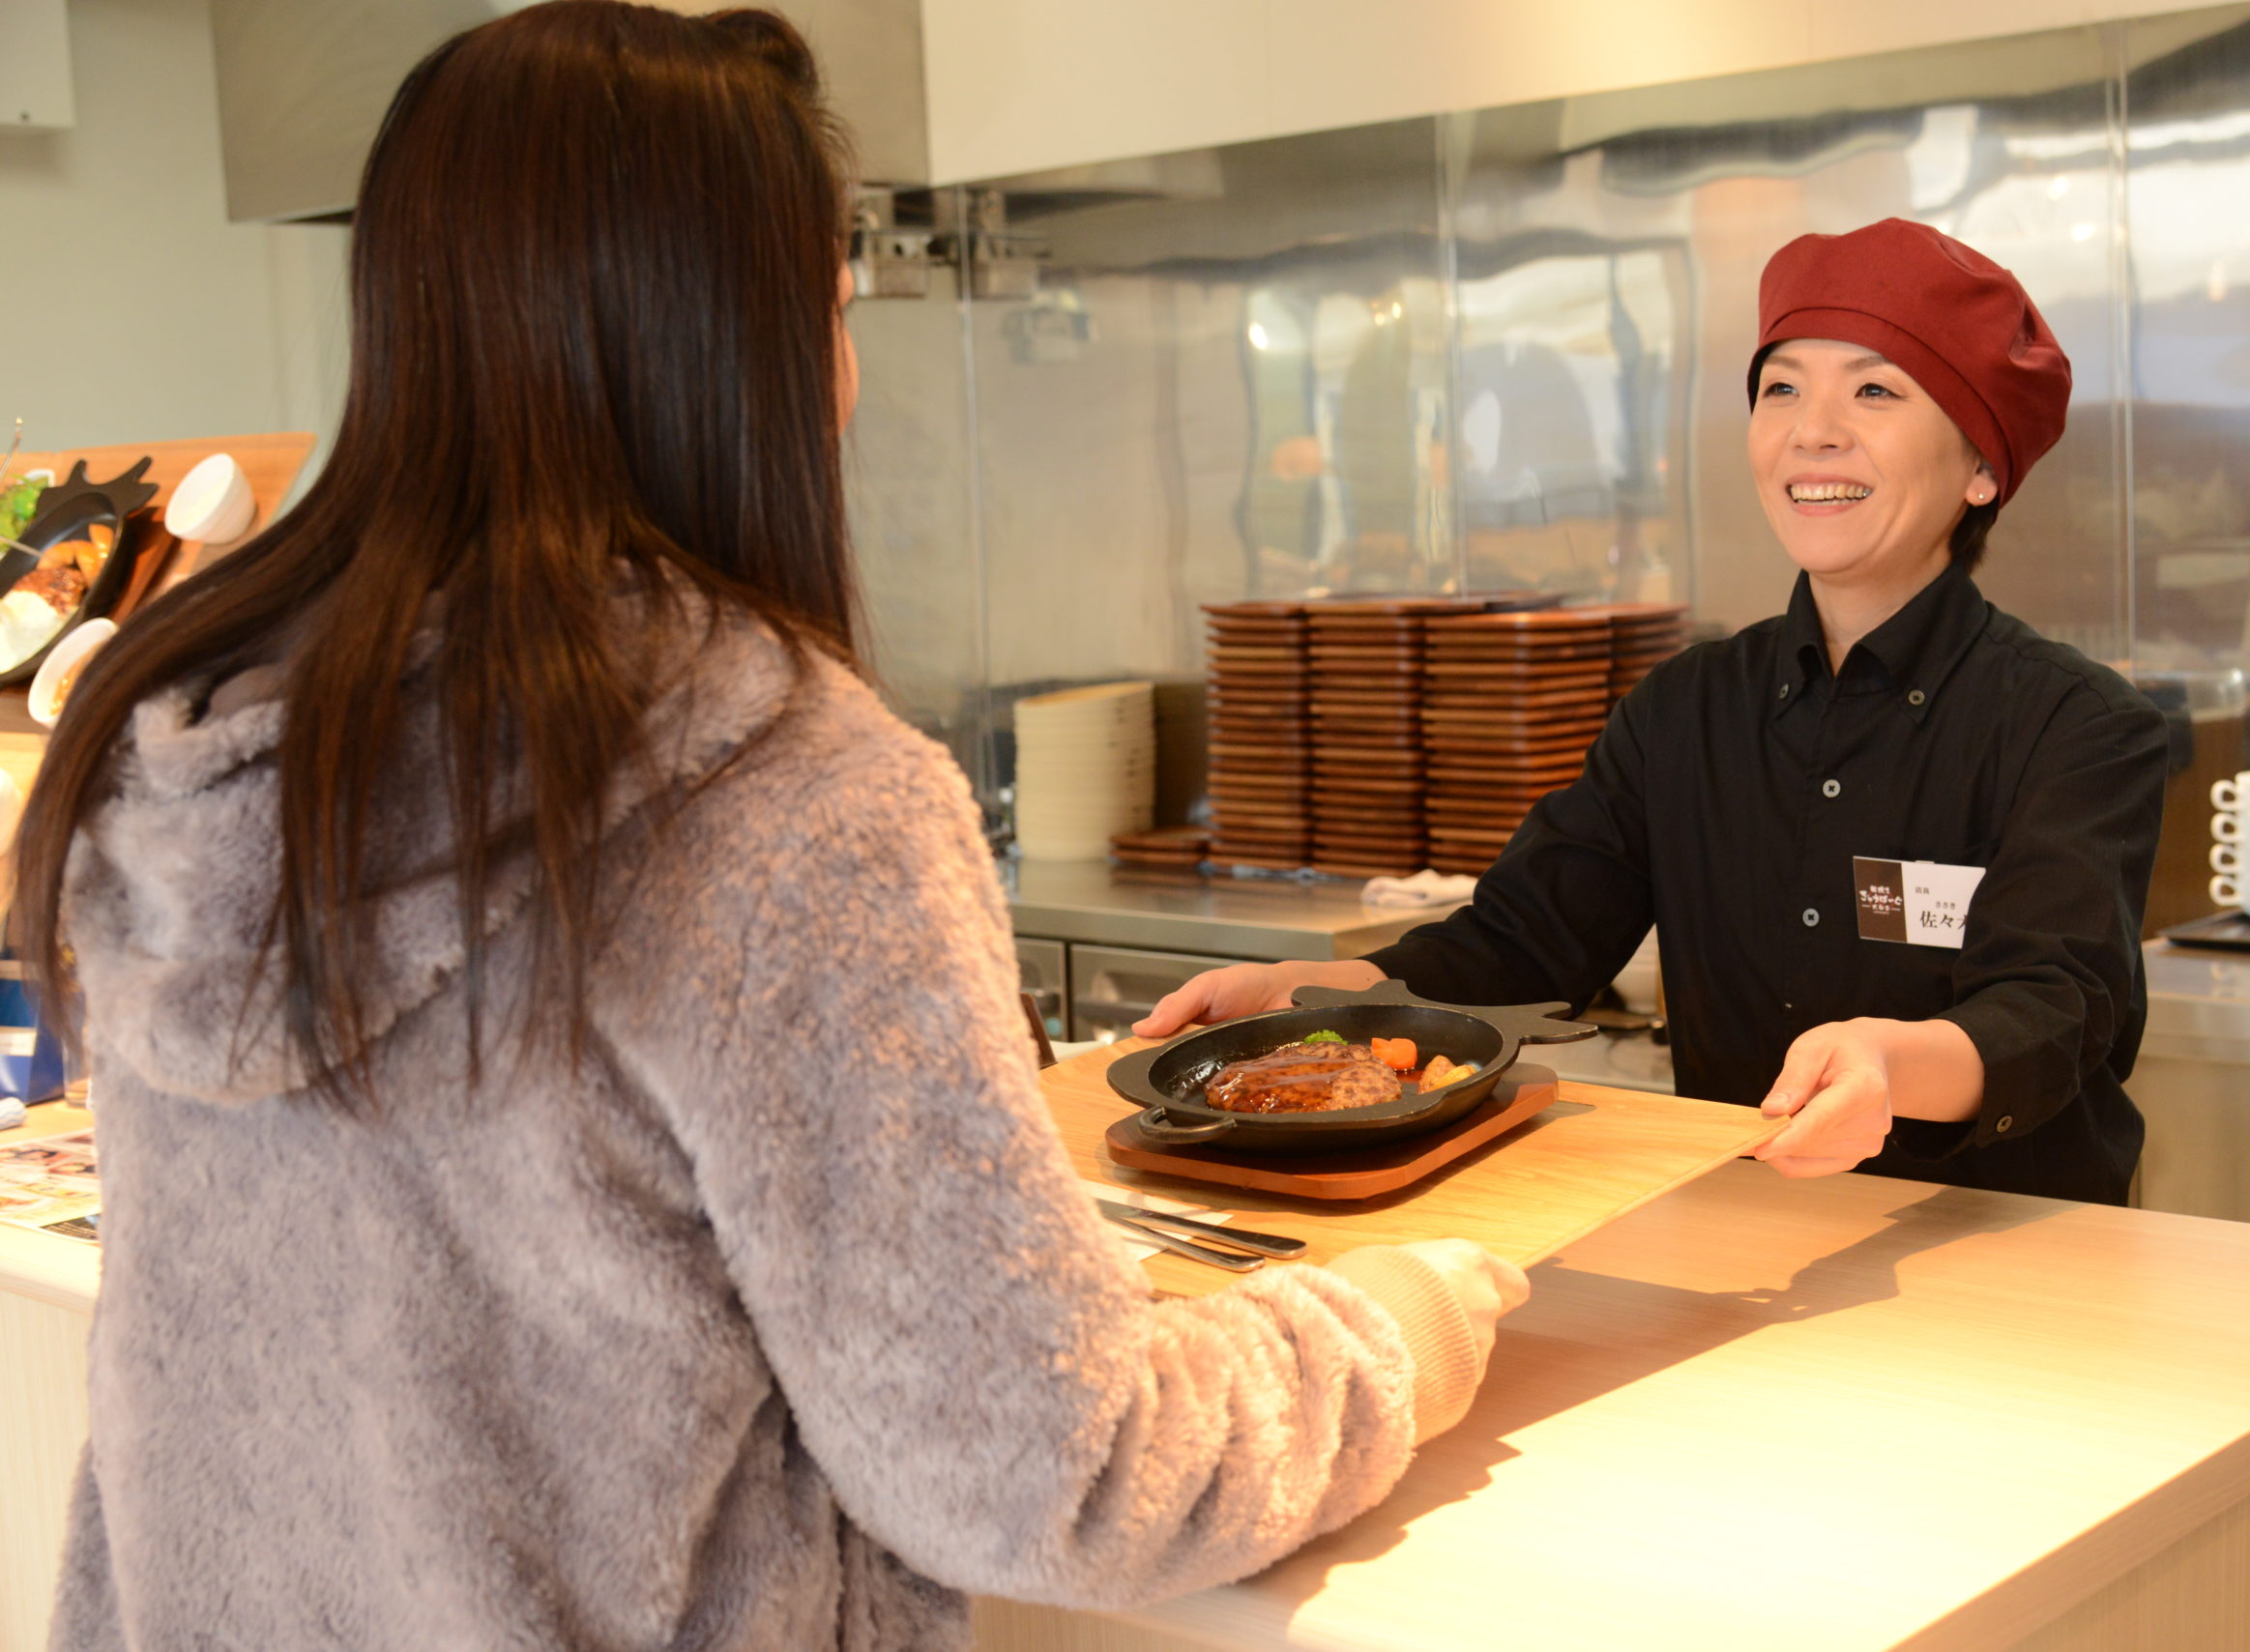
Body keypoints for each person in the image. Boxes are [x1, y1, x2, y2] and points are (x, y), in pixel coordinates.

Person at [11, 8, 1526, 1648]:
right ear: (733, 348)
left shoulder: (181, 732)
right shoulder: (786, 801)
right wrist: (1383, 1328)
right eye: (835, 309)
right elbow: (1044, 1469)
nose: (849, 377)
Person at [1143, 218, 2170, 1206]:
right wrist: (1312, 992)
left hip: (2001, 1246)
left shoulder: (2077, 726)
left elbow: (2057, 1005)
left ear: (1982, 466)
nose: (1813, 430)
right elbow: (1523, 942)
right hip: (1742, 1233)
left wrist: (1888, 1064)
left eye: (1874, 389)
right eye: (1781, 388)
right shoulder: (1685, 709)